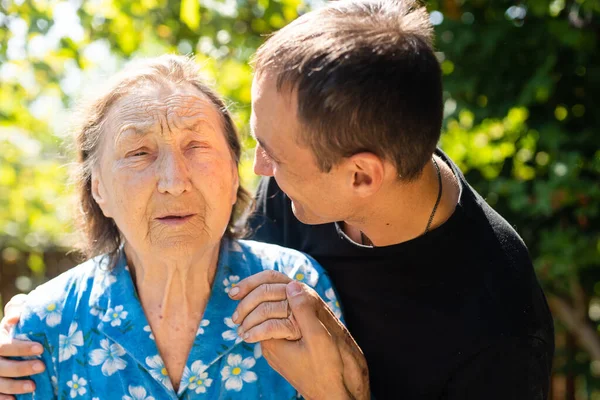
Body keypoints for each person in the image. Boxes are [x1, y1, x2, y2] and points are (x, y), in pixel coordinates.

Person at [0, 0, 554, 399]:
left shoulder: (499, 328)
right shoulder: (297, 188)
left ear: (361, 178)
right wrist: (40, 320)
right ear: (95, 184)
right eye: (139, 153)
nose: (258, 170)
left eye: (273, 155)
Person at [0, 54, 344, 399]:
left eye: (196, 146)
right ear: (98, 188)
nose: (174, 180)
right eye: (138, 153)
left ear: (233, 172)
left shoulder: (296, 290)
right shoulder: (48, 323)